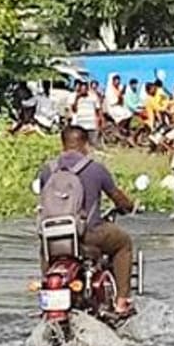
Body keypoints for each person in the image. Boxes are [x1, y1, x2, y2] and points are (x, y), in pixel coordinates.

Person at [36, 126, 137, 315]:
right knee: (124, 243)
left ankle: (47, 292)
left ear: (63, 143)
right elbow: (117, 197)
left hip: (53, 237)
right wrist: (128, 206)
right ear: (85, 144)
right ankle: (122, 301)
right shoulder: (95, 169)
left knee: (44, 249)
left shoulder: (47, 170)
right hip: (88, 234)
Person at [70, 81, 103, 147]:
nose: (83, 90)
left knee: (93, 144)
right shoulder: (77, 98)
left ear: (87, 89)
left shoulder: (93, 97)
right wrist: (76, 98)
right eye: (82, 89)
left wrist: (99, 121)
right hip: (80, 125)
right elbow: (74, 110)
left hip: (91, 125)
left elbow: (98, 109)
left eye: (85, 89)